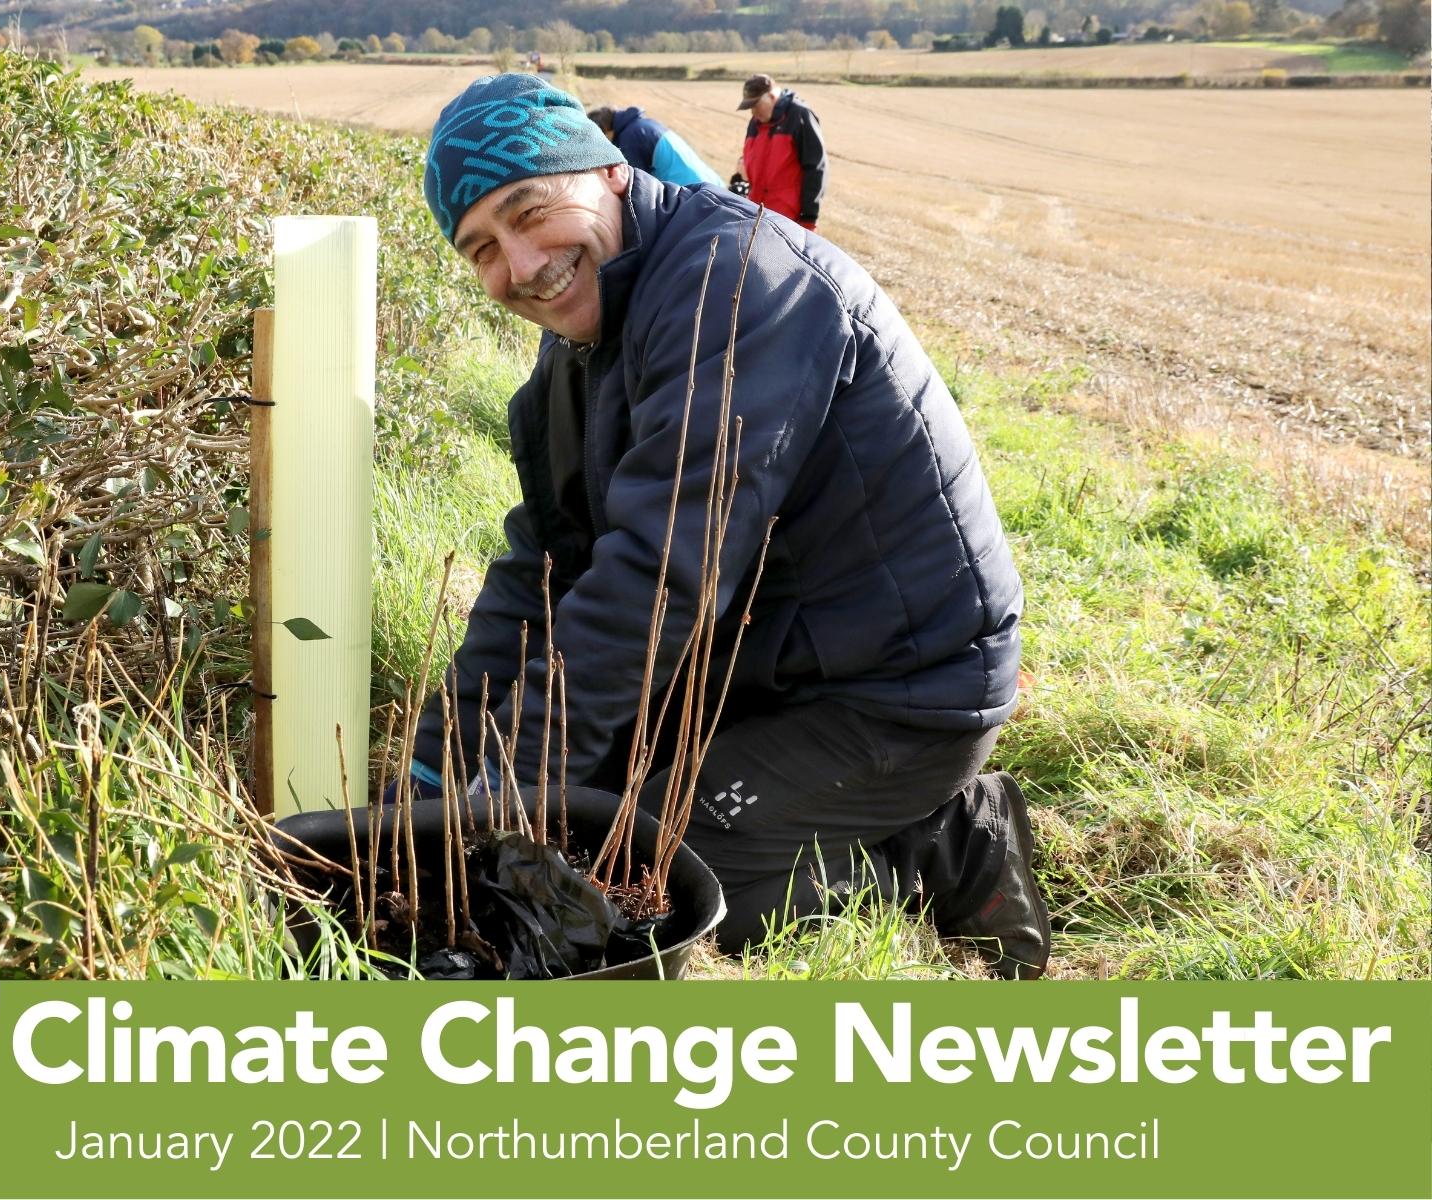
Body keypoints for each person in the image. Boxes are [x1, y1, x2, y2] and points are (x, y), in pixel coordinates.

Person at [412, 74, 1048, 978]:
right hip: (761, 664)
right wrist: (439, 769)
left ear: (608, 173)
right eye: (481, 248)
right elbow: (541, 566)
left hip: (899, 693)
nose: (519, 266)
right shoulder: (577, 350)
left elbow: (662, 570)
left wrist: (517, 779)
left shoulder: (740, 285)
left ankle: (940, 843)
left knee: (656, 886)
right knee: (581, 819)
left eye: (530, 209)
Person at [730, 73, 826, 233]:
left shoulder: (800, 116)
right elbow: (749, 160)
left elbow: (816, 169)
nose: (753, 112)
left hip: (788, 221)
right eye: (750, 107)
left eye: (756, 105)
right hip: (756, 215)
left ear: (772, 96)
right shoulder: (755, 123)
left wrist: (809, 219)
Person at [586, 105, 723, 189]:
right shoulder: (642, 124)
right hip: (709, 182)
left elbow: (638, 187)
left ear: (605, 131)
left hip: (693, 191)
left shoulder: (629, 138)